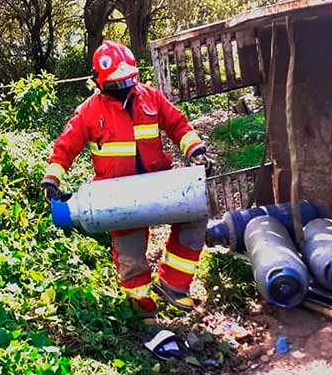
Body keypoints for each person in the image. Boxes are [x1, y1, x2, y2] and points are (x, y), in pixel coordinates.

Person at [41, 40, 209, 315]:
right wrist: (52, 178)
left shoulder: (151, 98)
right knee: (130, 257)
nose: (124, 87)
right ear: (99, 82)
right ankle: (142, 307)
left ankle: (174, 285)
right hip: (117, 196)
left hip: (159, 185)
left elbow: (178, 125)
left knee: (196, 216)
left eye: (128, 80)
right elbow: (65, 146)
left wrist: (196, 150)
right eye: (116, 83)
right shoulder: (89, 111)